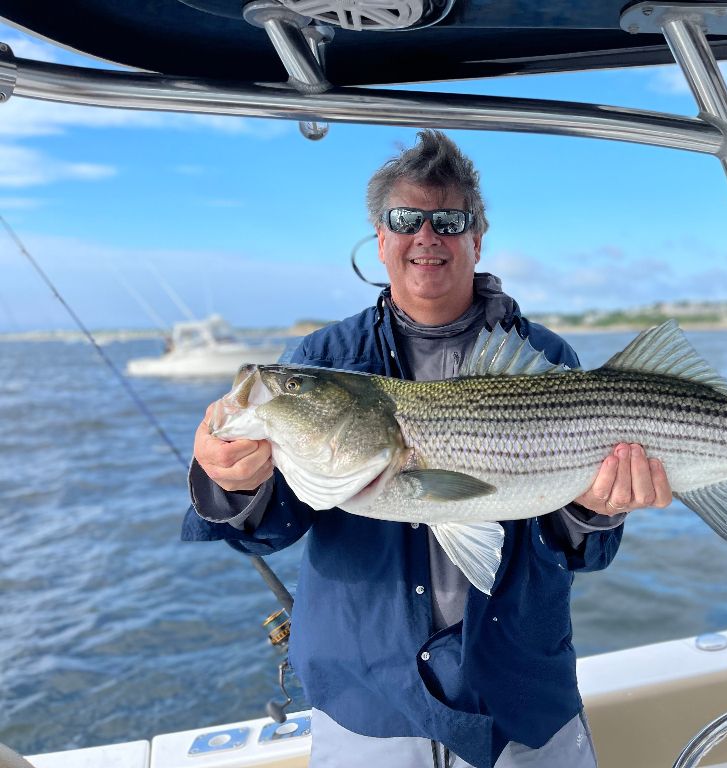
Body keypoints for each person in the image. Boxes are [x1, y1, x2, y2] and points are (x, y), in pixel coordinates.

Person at [183, 130, 672, 768]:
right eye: (406, 218)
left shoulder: (547, 359)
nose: (427, 235)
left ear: (477, 235)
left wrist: (595, 511)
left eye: (449, 219)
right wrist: (232, 483)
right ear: (380, 237)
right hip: (368, 701)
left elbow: (580, 545)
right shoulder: (327, 359)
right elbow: (267, 529)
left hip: (520, 694)